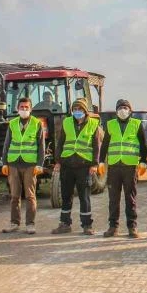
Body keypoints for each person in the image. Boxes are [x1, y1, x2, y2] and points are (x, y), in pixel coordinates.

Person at [52, 98, 102, 235]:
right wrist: (58, 161)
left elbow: (96, 146)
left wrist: (94, 164)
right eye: (75, 109)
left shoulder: (93, 124)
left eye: (80, 109)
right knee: (66, 195)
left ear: (85, 111)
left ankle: (87, 225)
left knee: (84, 197)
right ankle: (65, 224)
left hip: (84, 166)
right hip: (67, 165)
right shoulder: (67, 122)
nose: (77, 111)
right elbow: (60, 142)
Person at [99, 99, 147, 239]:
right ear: (116, 110)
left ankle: (132, 226)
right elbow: (105, 144)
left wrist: (143, 162)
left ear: (130, 110)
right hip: (114, 166)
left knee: (130, 197)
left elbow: (143, 145)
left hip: (130, 167)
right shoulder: (110, 125)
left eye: (125, 107)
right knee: (113, 198)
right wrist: (101, 161)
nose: (123, 110)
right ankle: (113, 227)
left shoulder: (136, 124)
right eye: (120, 107)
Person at [1, 97, 45, 234]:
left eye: (27, 107)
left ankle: (30, 224)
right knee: (15, 195)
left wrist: (40, 164)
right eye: (22, 107)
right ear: (17, 108)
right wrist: (4, 162)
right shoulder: (12, 123)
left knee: (30, 196)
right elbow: (7, 144)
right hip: (14, 163)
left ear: (31, 109)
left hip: (30, 164)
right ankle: (14, 223)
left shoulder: (37, 124)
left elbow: (41, 146)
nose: (24, 109)